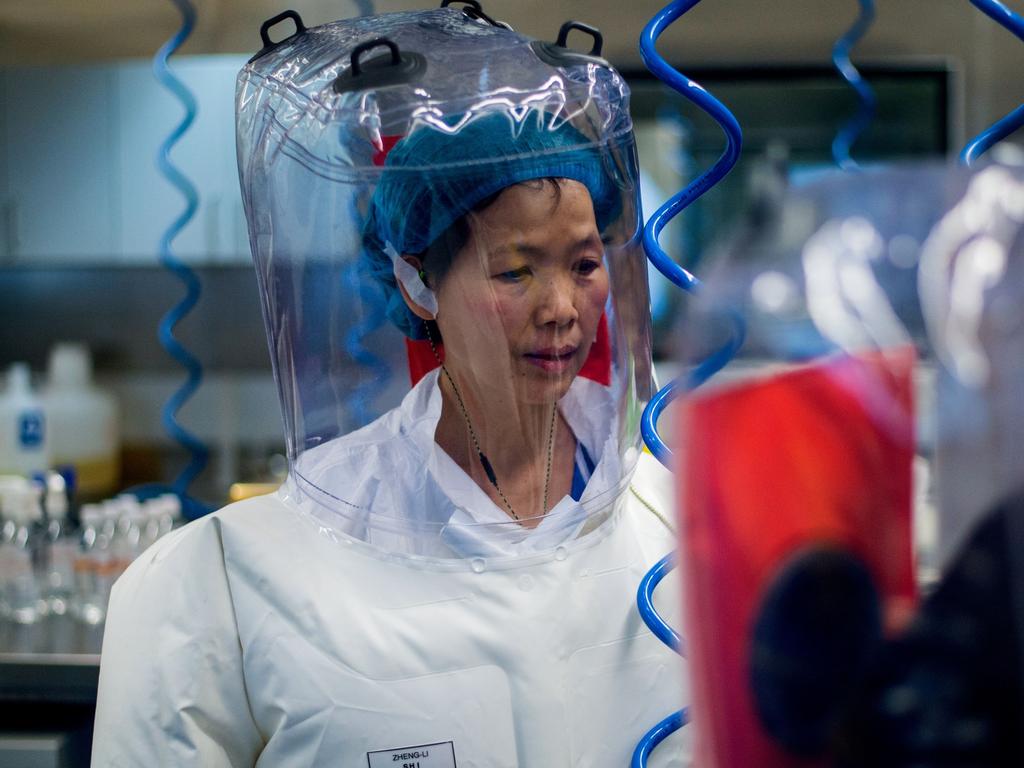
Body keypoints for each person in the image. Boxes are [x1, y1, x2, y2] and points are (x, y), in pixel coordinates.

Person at [93, 8, 686, 766]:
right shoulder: (240, 579)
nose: (563, 309)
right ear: (416, 283)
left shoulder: (678, 509)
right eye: (515, 271)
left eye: (583, 262)